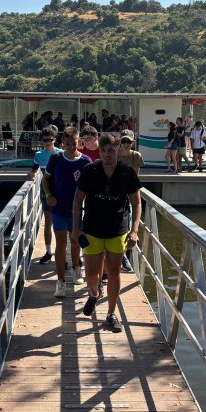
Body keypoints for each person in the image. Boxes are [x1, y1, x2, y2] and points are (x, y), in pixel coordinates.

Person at [72, 133, 142, 333]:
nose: (107, 154)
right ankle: (94, 294)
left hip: (117, 230)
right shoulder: (90, 171)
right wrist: (76, 229)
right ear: (99, 151)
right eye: (103, 150)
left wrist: (134, 230)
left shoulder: (127, 173)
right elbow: (77, 201)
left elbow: (136, 203)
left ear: (118, 150)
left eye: (111, 150)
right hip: (92, 229)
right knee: (92, 274)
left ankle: (111, 314)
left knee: (114, 272)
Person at [42, 127, 92, 298]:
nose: (72, 146)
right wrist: (48, 195)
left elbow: (92, 186)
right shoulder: (56, 159)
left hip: (78, 211)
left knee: (76, 242)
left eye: (74, 143)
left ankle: (76, 268)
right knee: (61, 245)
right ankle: (60, 281)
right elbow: (45, 179)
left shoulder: (85, 161)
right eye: (68, 144)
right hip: (58, 209)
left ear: (79, 141)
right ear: (63, 143)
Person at [27, 130, 63, 266]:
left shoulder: (60, 153)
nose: (48, 142)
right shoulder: (38, 155)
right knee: (48, 220)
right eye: (45, 140)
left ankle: (62, 252)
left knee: (61, 222)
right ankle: (48, 252)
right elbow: (34, 170)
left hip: (60, 191)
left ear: (55, 139)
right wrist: (30, 175)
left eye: (51, 140)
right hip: (45, 191)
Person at [116, 130, 142, 274]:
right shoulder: (115, 155)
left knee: (129, 222)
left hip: (128, 194)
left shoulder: (136, 156)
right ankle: (119, 258)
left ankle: (124, 256)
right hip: (115, 194)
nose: (126, 144)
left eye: (129, 142)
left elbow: (136, 178)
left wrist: (133, 193)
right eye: (123, 141)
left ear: (133, 143)